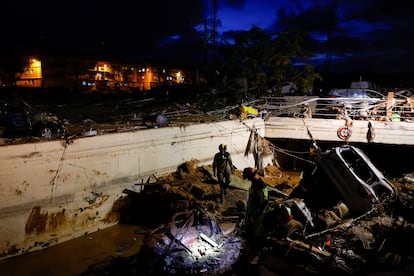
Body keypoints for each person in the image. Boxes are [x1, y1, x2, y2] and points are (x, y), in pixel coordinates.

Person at [242, 167, 269, 238]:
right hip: (251, 212)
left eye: (248, 177)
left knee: (256, 233)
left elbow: (265, 201)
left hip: (257, 214)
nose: (248, 179)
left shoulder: (261, 186)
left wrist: (259, 213)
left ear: (252, 176)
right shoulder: (254, 184)